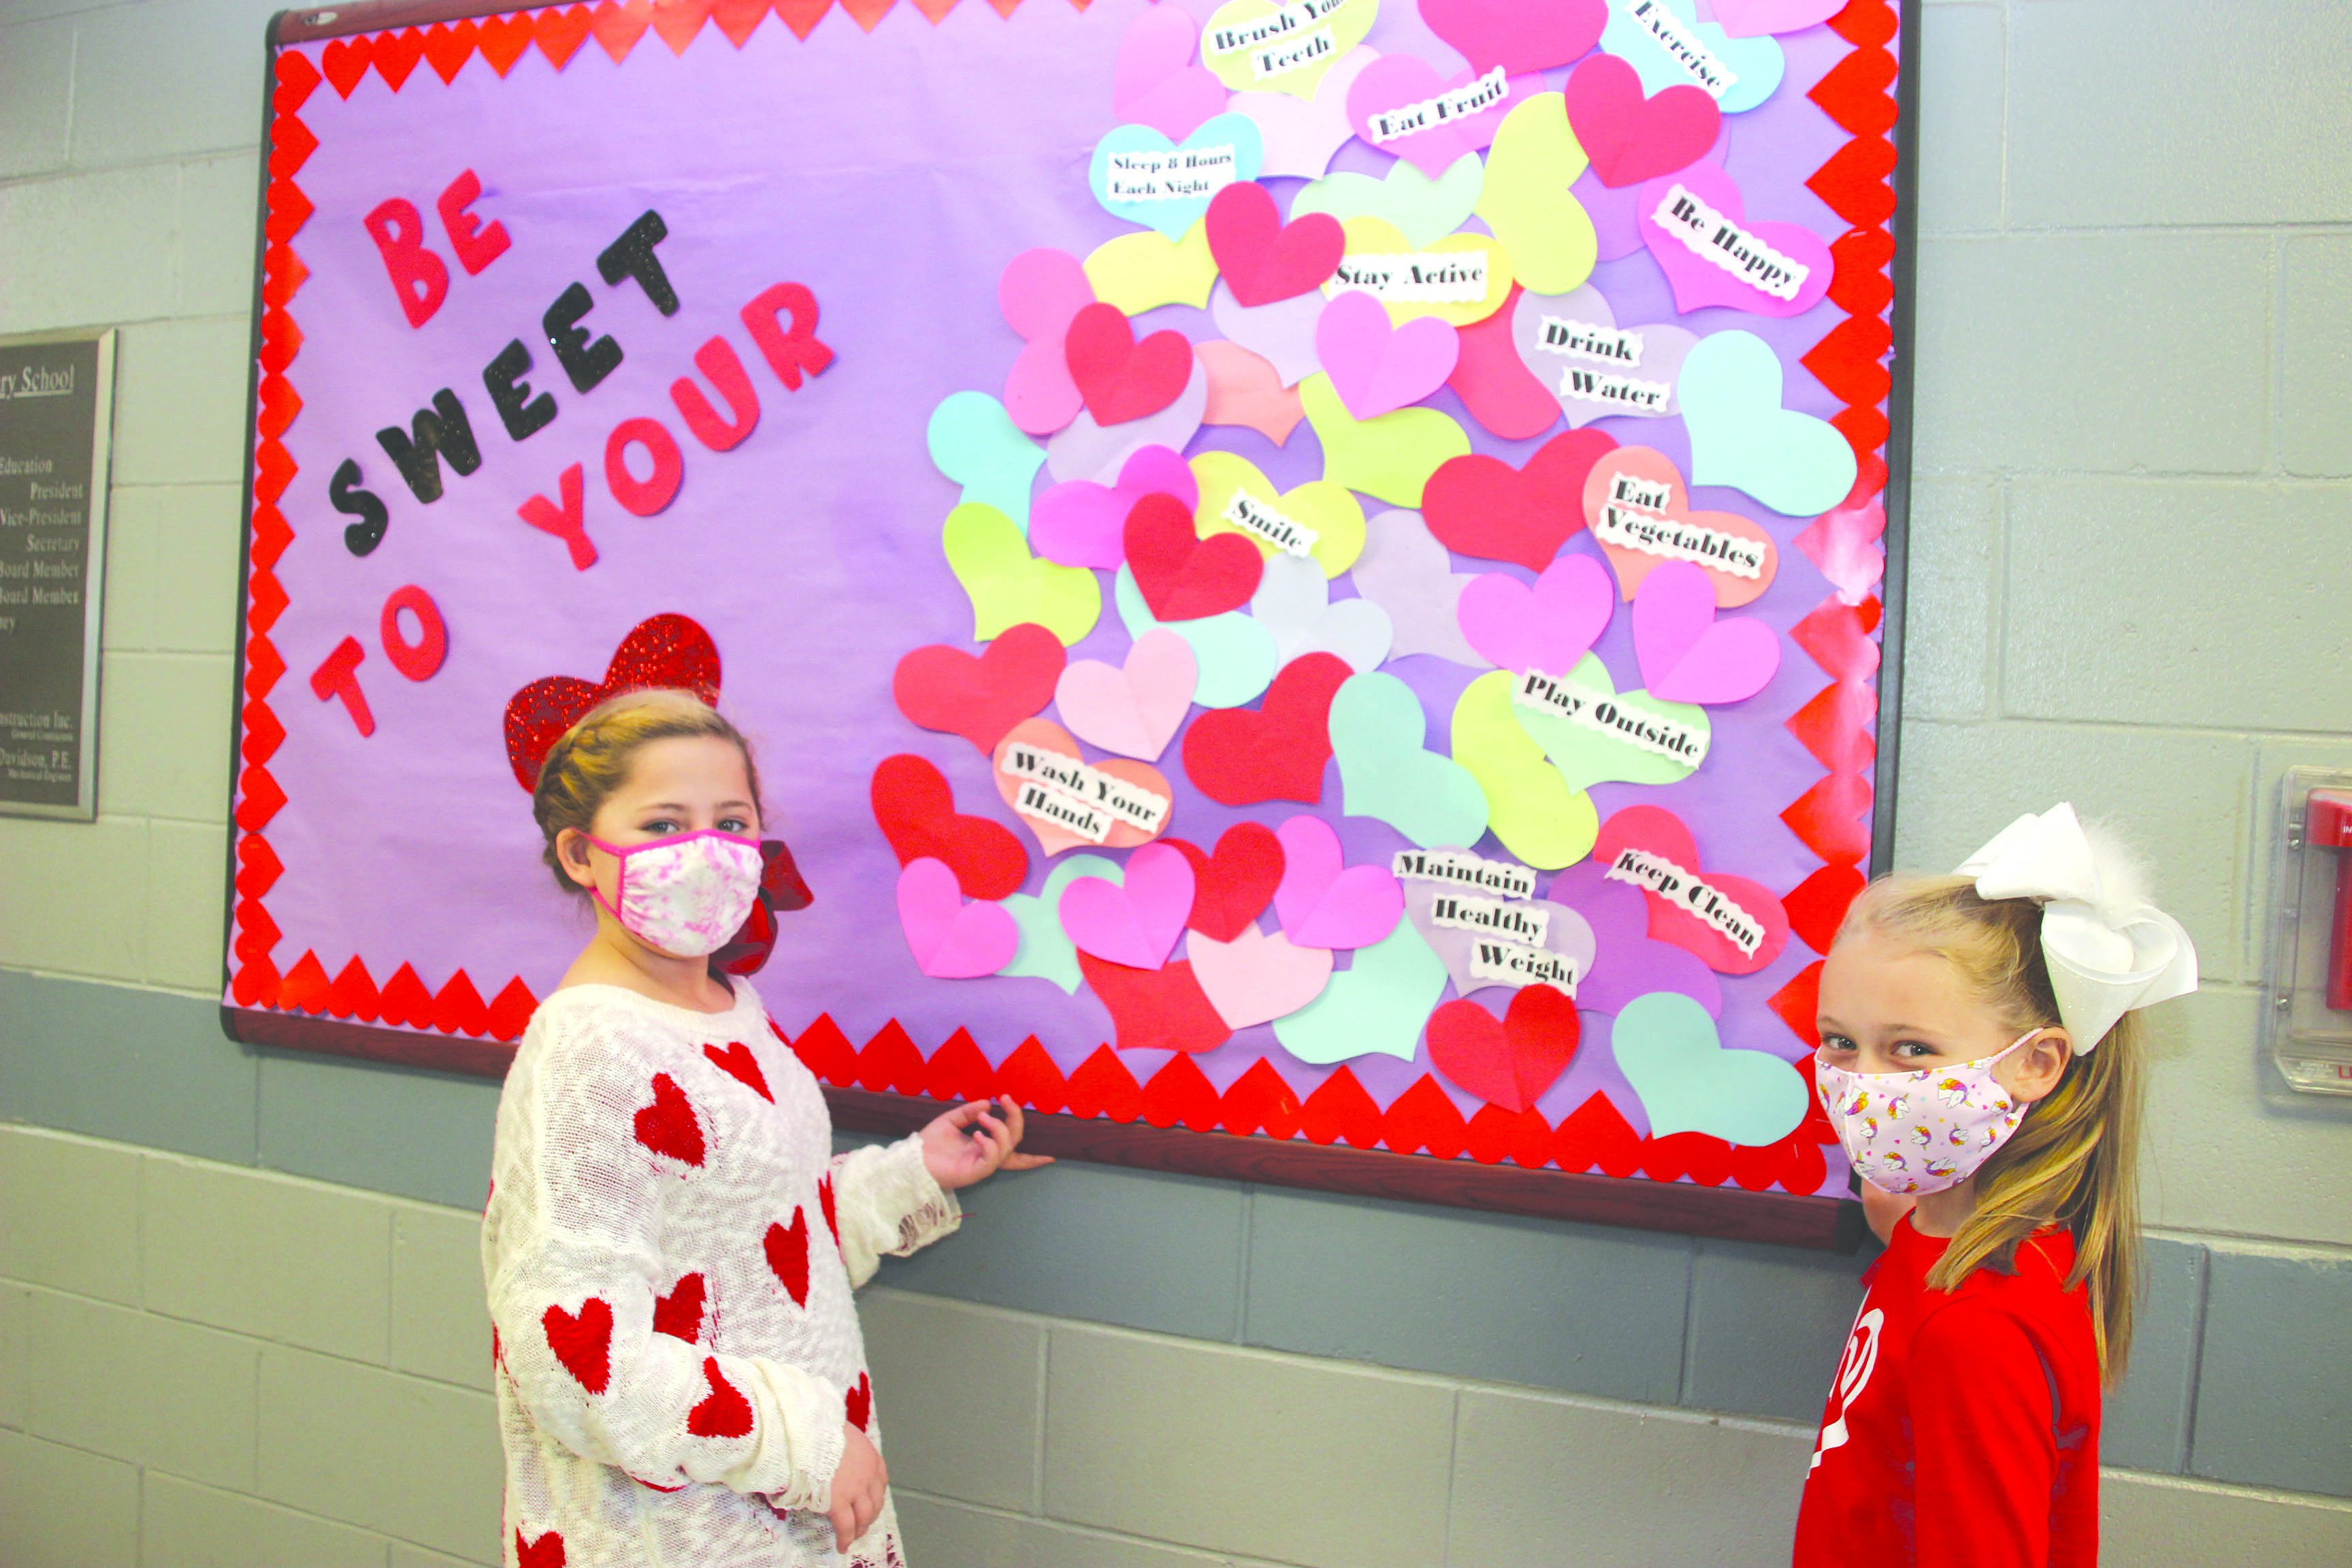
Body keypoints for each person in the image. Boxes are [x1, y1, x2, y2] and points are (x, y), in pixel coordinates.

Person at [483, 689, 1048, 1568]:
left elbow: (758, 1236)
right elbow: (576, 1360)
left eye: (731, 820)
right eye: (665, 824)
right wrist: (805, 1440)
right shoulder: (588, 1047)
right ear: (581, 856)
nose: (705, 851)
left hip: (789, 1525)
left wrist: (914, 1173)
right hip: (679, 1540)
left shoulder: (727, 1008)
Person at [1793, 804, 2198, 1568]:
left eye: (1912, 1050)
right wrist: (1905, 1228)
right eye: (1840, 1041)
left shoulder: (1975, 1332)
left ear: (2036, 1064)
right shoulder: (1974, 1240)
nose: (1862, 1086)